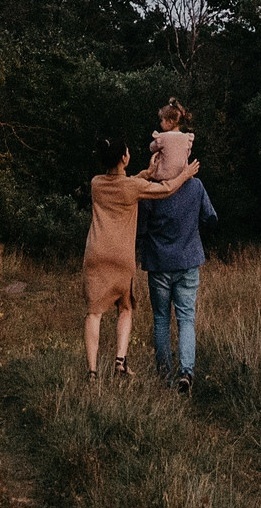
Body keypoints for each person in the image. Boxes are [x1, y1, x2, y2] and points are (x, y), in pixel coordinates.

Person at [82, 135, 197, 381]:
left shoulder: (96, 184)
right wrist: (185, 174)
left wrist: (146, 172)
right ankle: (119, 363)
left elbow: (123, 183)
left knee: (94, 312)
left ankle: (92, 372)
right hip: (121, 257)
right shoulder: (133, 188)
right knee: (125, 308)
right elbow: (165, 189)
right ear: (124, 158)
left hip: (95, 254)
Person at [136, 153, 218, 392]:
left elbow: (141, 229)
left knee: (161, 319)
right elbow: (211, 218)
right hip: (188, 261)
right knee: (186, 318)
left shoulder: (152, 190)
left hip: (158, 263)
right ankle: (186, 372)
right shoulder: (196, 186)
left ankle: (164, 377)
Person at [146, 98, 196, 182]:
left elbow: (151, 147)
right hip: (181, 178)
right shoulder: (187, 138)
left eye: (162, 120)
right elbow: (187, 154)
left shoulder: (163, 137)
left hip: (163, 178)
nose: (160, 123)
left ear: (170, 122)